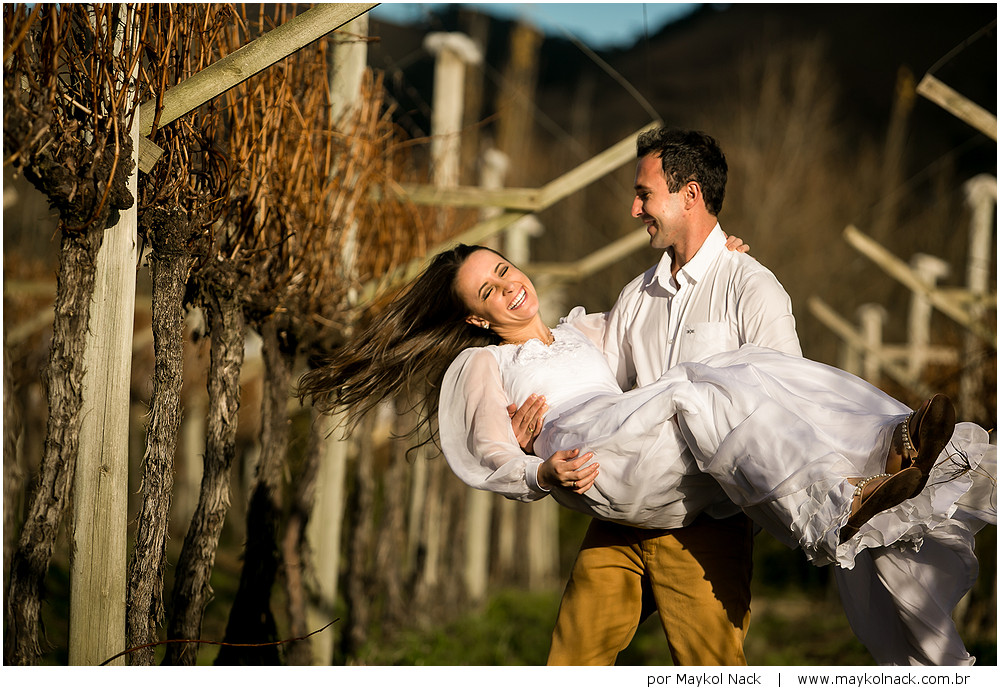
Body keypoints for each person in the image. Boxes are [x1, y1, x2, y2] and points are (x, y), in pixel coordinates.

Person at [298, 243, 996, 666]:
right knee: (695, 388)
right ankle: (835, 502)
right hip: (590, 453)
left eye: (505, 269)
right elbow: (484, 452)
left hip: (644, 469)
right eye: (489, 290)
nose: (510, 285)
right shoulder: (487, 366)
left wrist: (718, 264)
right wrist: (538, 467)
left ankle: (884, 456)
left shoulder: (586, 331)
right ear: (477, 317)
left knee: (739, 369)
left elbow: (662, 309)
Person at [534, 127, 801, 666]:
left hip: (708, 528)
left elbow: (790, 397)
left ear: (691, 195)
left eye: (644, 194)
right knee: (569, 665)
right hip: (618, 522)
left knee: (712, 672)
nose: (635, 209)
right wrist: (535, 424)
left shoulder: (750, 287)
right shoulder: (634, 297)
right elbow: (596, 393)